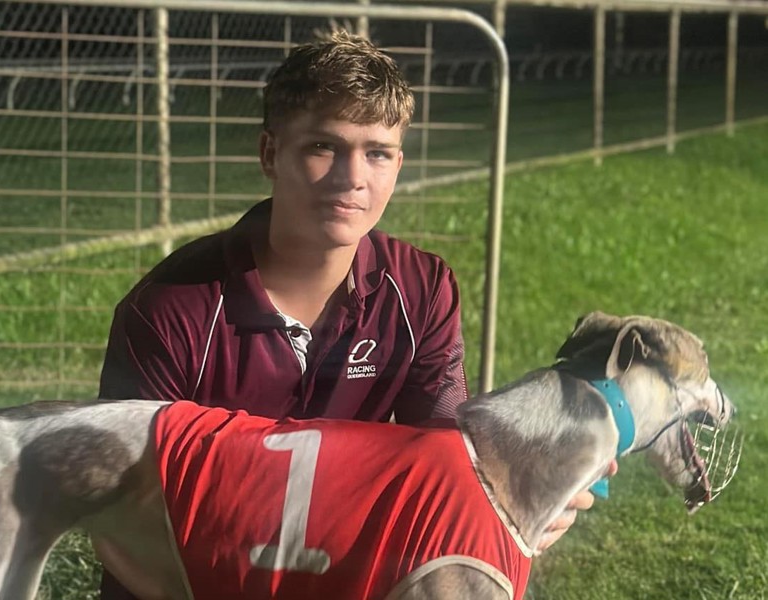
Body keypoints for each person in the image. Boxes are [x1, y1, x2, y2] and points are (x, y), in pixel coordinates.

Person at [97, 30, 596, 599]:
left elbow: (447, 465)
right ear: (270, 153)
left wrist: (520, 490)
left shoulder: (422, 292)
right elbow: (123, 512)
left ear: (398, 164)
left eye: (376, 153)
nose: (352, 177)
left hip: (347, 573)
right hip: (195, 577)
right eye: (323, 146)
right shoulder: (169, 310)